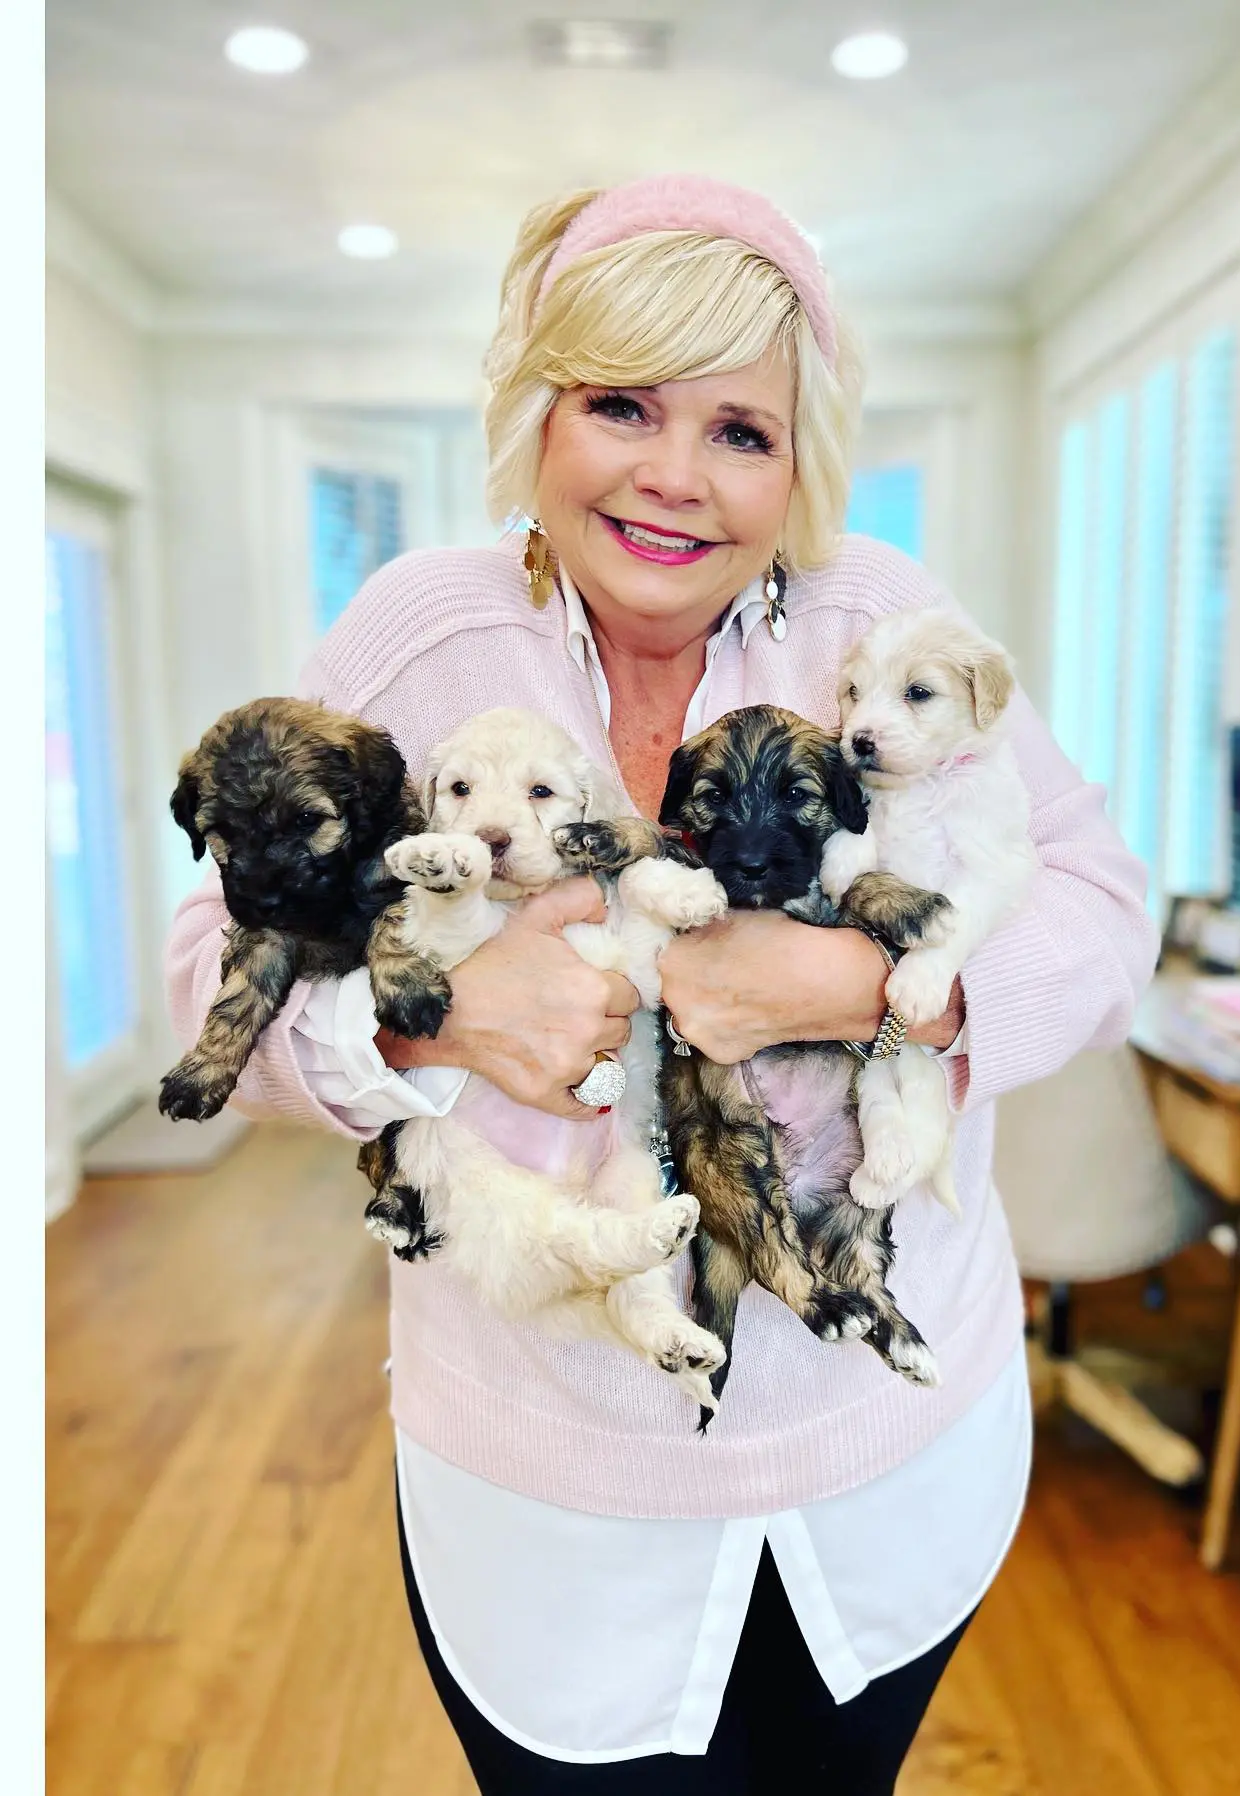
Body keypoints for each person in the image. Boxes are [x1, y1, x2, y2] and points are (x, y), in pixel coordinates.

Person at [166, 174, 1159, 1793]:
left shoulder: (878, 623)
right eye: (621, 403)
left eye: (742, 432)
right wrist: (442, 1012)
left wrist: (858, 983)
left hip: (886, 1455)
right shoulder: (419, 638)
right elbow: (203, 967)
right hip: (549, 1497)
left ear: (801, 460)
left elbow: (1106, 900)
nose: (674, 478)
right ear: (536, 409)